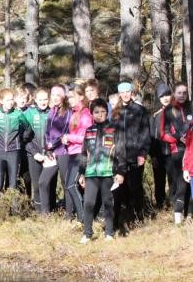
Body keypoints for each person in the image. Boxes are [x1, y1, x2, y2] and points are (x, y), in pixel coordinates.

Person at [78, 98, 126, 243]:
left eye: (103, 112)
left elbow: (121, 152)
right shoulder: (89, 131)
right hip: (91, 173)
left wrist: (121, 172)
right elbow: (83, 154)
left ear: (107, 112)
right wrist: (81, 172)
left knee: (108, 203)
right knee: (88, 203)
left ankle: (109, 233)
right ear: (92, 114)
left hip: (108, 173)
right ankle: (87, 233)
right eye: (96, 112)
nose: (100, 114)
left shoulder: (114, 129)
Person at [111, 81, 150, 227]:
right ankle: (126, 217)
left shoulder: (140, 110)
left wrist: (143, 153)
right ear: (119, 94)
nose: (125, 94)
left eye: (128, 91)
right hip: (119, 156)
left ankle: (139, 216)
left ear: (131, 92)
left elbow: (145, 134)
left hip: (136, 155)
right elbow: (111, 134)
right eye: (122, 92)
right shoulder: (115, 111)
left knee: (136, 187)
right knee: (121, 188)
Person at [37, 85, 71, 215]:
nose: (55, 98)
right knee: (42, 182)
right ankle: (45, 215)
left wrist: (53, 145)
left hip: (63, 152)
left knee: (65, 184)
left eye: (58, 95)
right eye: (53, 95)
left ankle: (69, 214)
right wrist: (47, 146)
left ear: (63, 96)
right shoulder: (52, 111)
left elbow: (66, 131)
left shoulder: (67, 111)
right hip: (51, 153)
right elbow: (47, 132)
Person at [160, 82, 190, 225]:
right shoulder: (168, 110)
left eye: (185, 92)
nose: (182, 95)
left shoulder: (191, 107)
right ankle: (178, 216)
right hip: (177, 151)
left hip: (191, 150)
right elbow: (162, 133)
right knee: (182, 184)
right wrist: (177, 139)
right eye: (179, 92)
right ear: (174, 93)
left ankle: (189, 214)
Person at [62, 85, 93, 222]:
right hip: (73, 152)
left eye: (72, 97)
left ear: (81, 97)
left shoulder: (85, 114)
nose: (70, 100)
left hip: (80, 154)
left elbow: (87, 137)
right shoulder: (75, 112)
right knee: (72, 186)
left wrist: (68, 138)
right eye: (68, 97)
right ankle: (82, 218)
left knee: (72, 185)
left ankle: (83, 219)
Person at [22, 88, 50, 211]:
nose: (43, 102)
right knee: (37, 185)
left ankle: (50, 211)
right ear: (35, 100)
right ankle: (39, 213)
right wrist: (34, 153)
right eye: (40, 99)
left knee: (49, 185)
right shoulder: (29, 113)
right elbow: (24, 138)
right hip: (34, 155)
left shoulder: (53, 113)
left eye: (45, 99)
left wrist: (51, 151)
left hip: (50, 155)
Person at [149, 83, 173, 210]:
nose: (166, 98)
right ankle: (160, 204)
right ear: (159, 98)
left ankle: (176, 204)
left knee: (173, 179)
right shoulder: (154, 116)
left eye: (168, 94)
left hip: (173, 152)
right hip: (158, 153)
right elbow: (151, 136)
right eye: (162, 95)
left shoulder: (176, 111)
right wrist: (152, 155)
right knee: (159, 180)